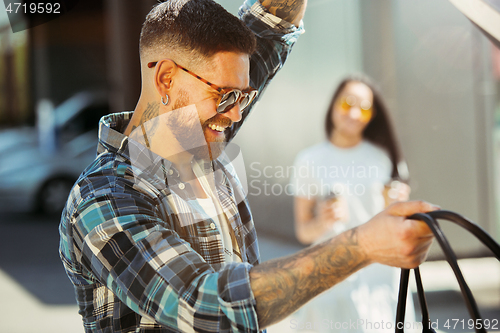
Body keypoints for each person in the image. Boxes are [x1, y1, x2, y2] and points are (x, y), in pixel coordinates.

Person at [59, 1, 436, 332]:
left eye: (244, 96)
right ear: (166, 79)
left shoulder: (200, 133)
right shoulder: (102, 199)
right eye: (226, 96)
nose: (237, 113)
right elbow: (206, 305)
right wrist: (361, 246)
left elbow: (275, 21)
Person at [289, 75, 415, 332]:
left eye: (365, 108)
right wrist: (323, 221)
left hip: (379, 276)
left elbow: (394, 221)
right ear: (333, 105)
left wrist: (399, 205)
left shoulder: (383, 157)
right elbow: (303, 232)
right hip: (332, 277)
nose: (355, 113)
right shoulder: (309, 160)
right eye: (348, 103)